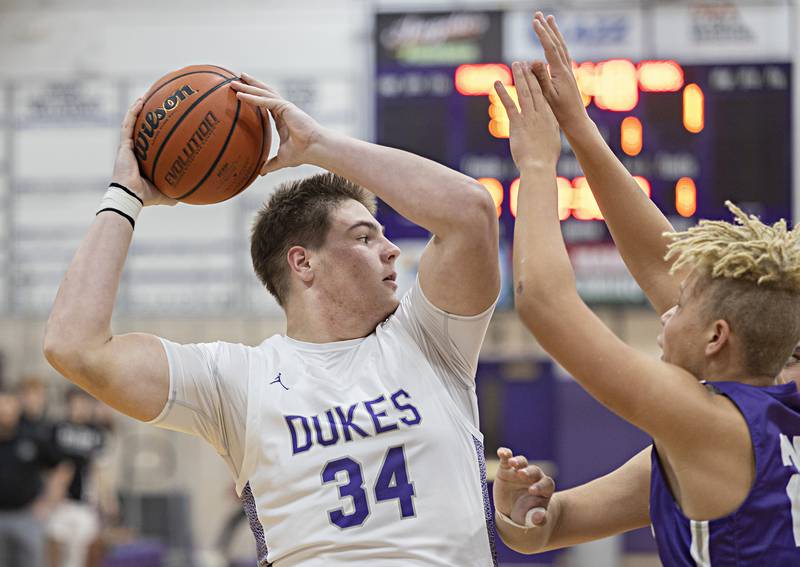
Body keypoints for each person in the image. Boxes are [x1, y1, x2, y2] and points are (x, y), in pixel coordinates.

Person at [43, 72, 501, 566]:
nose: (392, 251)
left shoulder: (429, 341)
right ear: (303, 262)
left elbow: (470, 213)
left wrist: (320, 145)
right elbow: (74, 347)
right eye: (365, 237)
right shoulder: (237, 379)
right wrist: (125, 195)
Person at [491, 12, 800, 565]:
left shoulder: (706, 424)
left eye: (680, 307)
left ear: (716, 338)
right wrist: (524, 515)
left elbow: (542, 301)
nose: (664, 311)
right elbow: (552, 526)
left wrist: (537, 165)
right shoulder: (769, 411)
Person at [0, 389, 70, 567]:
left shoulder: (32, 435)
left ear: (17, 407)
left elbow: (61, 467)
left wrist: (48, 502)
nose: (5, 411)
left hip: (27, 515)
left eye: (9, 404)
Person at [47, 389, 105, 567]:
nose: (80, 408)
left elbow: (99, 470)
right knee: (56, 546)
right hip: (60, 501)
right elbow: (53, 467)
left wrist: (106, 501)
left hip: (85, 501)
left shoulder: (95, 433)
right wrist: (50, 498)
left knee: (84, 551)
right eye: (76, 403)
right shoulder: (57, 429)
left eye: (84, 403)